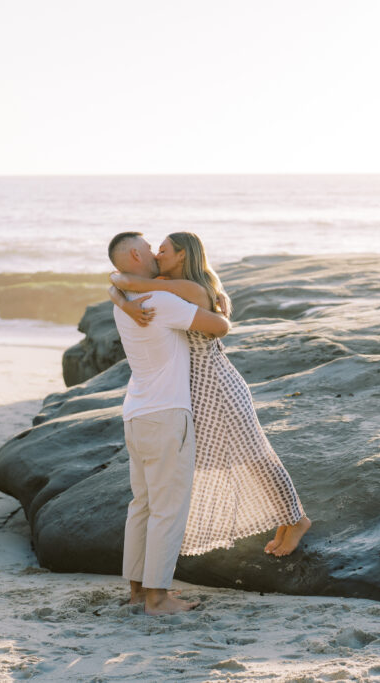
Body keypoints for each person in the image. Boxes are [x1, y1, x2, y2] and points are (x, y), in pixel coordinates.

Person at [109, 232, 312, 560]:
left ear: (182, 256)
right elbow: (119, 280)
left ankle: (297, 519)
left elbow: (127, 281)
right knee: (236, 457)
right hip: (197, 389)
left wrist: (124, 298)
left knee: (254, 455)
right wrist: (121, 300)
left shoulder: (190, 289)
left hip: (217, 384)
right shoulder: (170, 285)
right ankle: (286, 518)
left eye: (163, 250)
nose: (157, 255)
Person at [107, 231, 231, 616]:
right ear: (135, 255)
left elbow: (116, 283)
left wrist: (121, 292)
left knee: (142, 506)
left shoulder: (125, 303)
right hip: (167, 414)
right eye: (148, 248)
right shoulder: (160, 300)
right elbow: (219, 327)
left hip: (136, 413)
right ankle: (158, 599)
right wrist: (219, 302)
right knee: (168, 509)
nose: (154, 253)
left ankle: (136, 593)